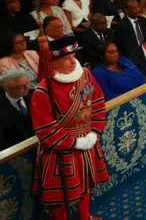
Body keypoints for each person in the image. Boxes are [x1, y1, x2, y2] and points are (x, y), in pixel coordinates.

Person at [30, 35, 109, 220]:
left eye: (73, 56)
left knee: (86, 184)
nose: (73, 61)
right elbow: (45, 130)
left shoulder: (86, 75)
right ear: (54, 64)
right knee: (59, 197)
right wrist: (75, 142)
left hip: (88, 141)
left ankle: (85, 217)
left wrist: (93, 133)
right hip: (60, 150)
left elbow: (97, 103)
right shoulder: (42, 92)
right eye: (66, 58)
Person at [0, 69, 35, 150]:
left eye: (27, 83)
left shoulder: (35, 95)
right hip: (19, 151)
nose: (27, 88)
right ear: (7, 89)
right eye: (21, 86)